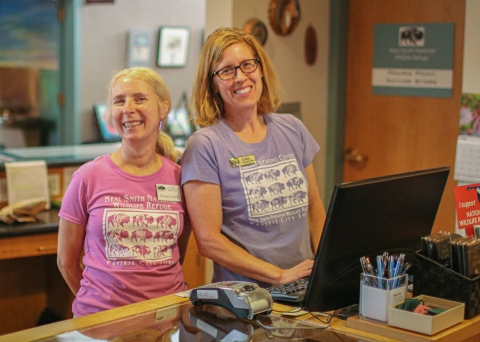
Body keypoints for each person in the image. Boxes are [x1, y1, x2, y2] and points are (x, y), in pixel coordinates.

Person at [181, 27, 326, 288]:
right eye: (226, 71)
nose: (240, 77)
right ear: (212, 83)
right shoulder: (205, 145)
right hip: (246, 297)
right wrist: (278, 275)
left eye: (247, 65)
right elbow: (209, 241)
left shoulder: (293, 128)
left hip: (303, 286)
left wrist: (327, 267)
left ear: (260, 69)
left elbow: (315, 208)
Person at [57, 67, 191, 317]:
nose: (128, 108)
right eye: (119, 101)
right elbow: (66, 262)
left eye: (139, 98)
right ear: (111, 115)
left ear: (163, 108)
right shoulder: (87, 177)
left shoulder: (180, 179)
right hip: (101, 321)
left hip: (167, 316)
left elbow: (177, 253)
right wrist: (98, 305)